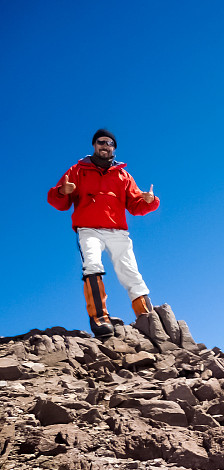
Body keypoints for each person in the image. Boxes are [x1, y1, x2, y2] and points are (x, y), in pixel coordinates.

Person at [47, 129, 160, 338]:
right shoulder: (77, 170)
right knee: (92, 265)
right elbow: (58, 201)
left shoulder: (123, 175)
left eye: (109, 143)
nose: (105, 146)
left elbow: (135, 205)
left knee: (130, 271)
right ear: (94, 145)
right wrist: (62, 192)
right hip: (88, 229)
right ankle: (100, 319)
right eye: (101, 142)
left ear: (113, 148)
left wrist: (149, 202)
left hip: (117, 230)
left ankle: (146, 315)